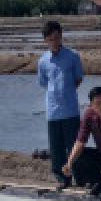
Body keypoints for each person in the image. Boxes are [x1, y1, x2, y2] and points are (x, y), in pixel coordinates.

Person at [37, 20, 84, 188]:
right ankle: (62, 179)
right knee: (56, 148)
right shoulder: (43, 61)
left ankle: (80, 178)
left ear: (61, 36)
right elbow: (43, 82)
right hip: (53, 110)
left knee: (74, 146)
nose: (54, 42)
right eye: (50, 39)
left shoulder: (73, 56)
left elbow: (78, 79)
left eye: (56, 38)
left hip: (70, 109)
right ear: (45, 40)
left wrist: (67, 92)